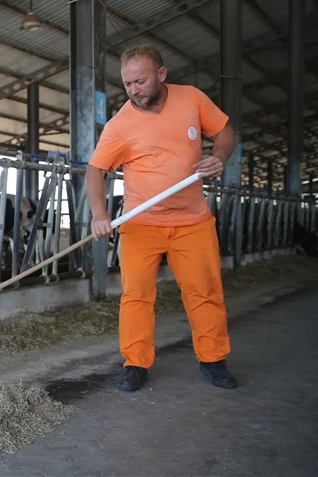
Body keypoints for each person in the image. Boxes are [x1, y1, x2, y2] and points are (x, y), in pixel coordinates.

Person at [86, 45, 238, 392]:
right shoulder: (120, 125)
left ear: (162, 74)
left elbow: (225, 130)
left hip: (193, 221)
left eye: (140, 81)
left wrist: (220, 155)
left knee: (204, 291)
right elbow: (94, 171)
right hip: (142, 224)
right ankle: (135, 364)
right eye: (127, 84)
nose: (134, 90)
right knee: (136, 295)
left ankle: (213, 359)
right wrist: (99, 214)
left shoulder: (192, 99)